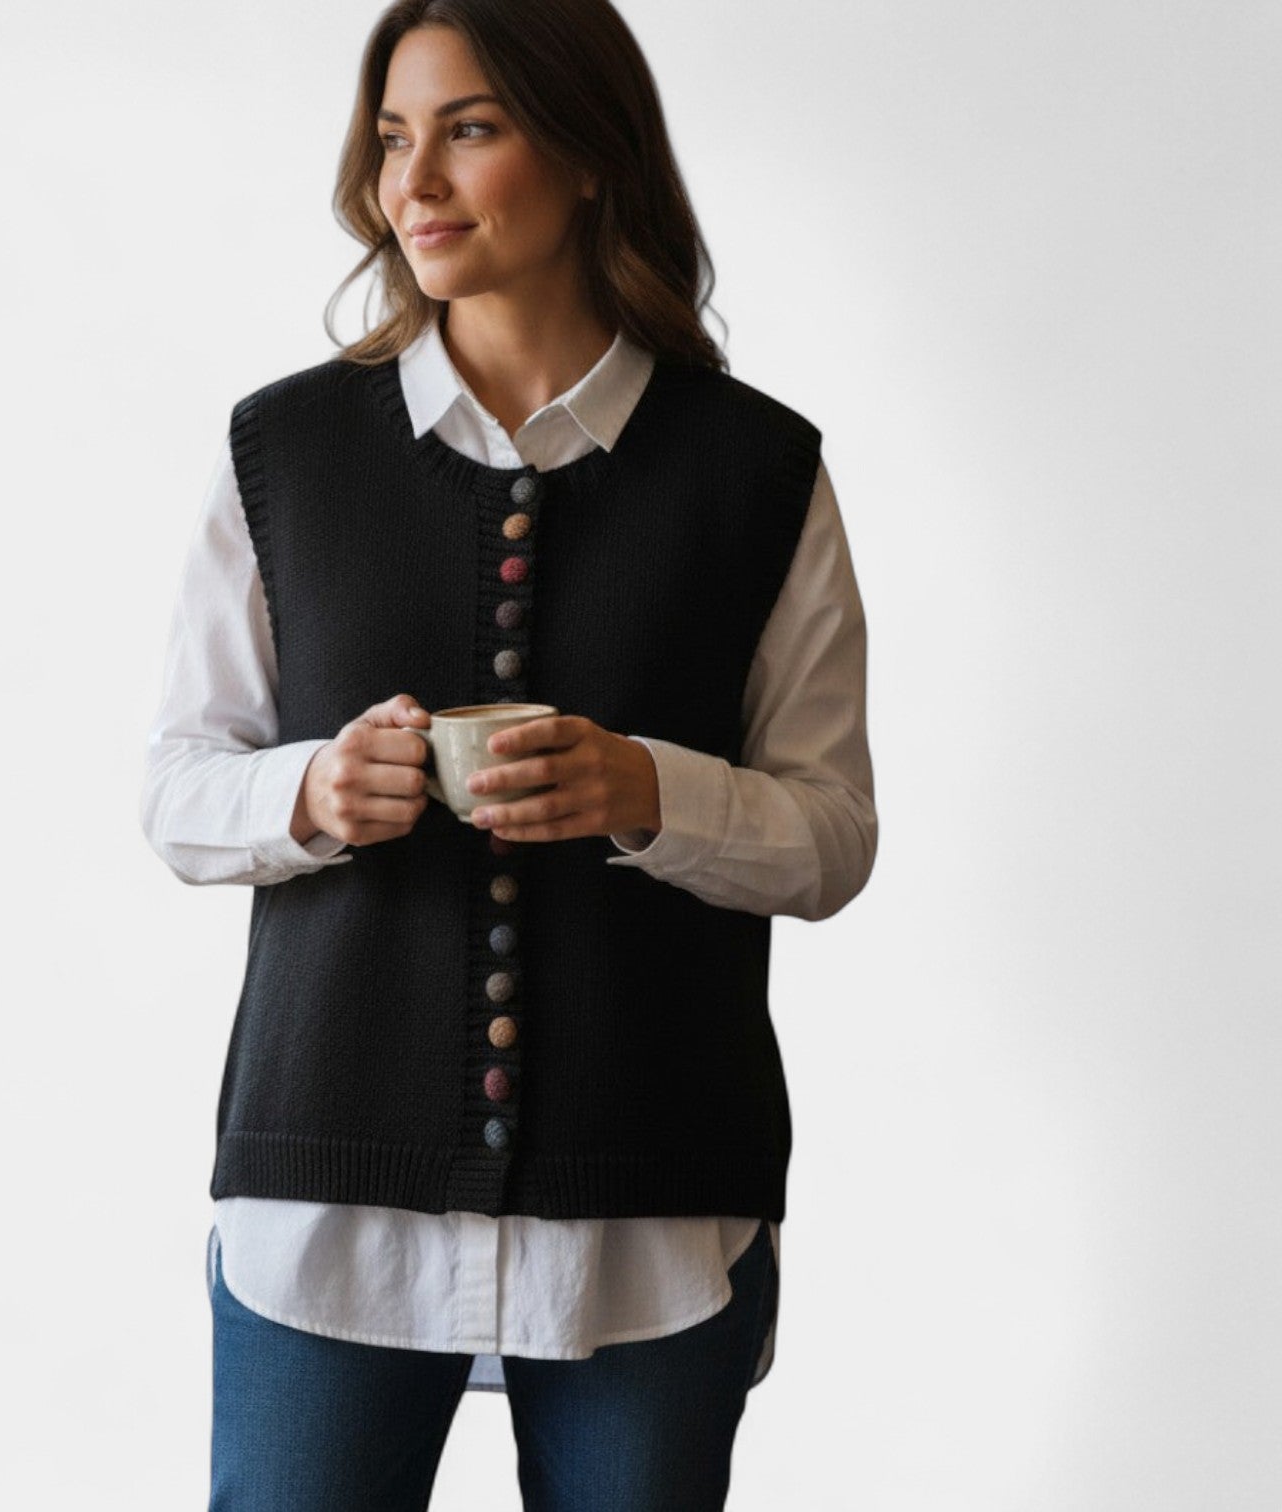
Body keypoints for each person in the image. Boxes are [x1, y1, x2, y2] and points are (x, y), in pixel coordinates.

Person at [139, 0, 877, 1506]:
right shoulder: (284, 454)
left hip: (652, 1205)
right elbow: (176, 786)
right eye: (392, 140)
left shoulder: (757, 473)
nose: (410, 184)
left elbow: (833, 835)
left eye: (467, 131)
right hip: (328, 1197)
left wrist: (650, 792)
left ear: (591, 152)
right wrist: (312, 792)